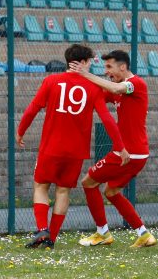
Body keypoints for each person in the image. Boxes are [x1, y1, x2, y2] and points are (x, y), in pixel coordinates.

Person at [16, 44, 127, 249]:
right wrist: (119, 146)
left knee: (41, 186)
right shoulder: (94, 87)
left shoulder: (51, 81)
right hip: (75, 152)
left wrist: (21, 131)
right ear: (82, 62)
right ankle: (52, 238)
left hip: (51, 147)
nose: (92, 66)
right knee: (63, 191)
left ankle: (42, 229)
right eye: (90, 62)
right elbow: (107, 119)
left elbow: (33, 109)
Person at [69, 50, 156, 248]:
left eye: (109, 67)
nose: (107, 72)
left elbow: (116, 88)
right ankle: (144, 235)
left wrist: (85, 73)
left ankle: (102, 233)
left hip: (128, 153)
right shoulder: (118, 88)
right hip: (137, 153)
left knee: (89, 182)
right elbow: (98, 94)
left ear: (123, 67)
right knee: (112, 191)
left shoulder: (135, 84)